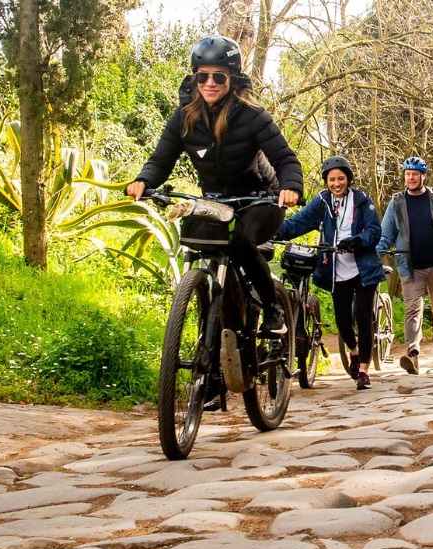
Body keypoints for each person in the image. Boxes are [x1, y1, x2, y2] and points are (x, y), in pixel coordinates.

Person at [125, 34, 302, 402]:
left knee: (240, 243)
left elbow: (286, 159)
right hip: (217, 201)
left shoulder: (252, 116)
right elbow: (161, 158)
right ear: (194, 78)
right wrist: (144, 180)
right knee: (202, 249)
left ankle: (272, 308)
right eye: (201, 76)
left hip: (262, 199)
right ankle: (218, 369)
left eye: (218, 77)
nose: (208, 84)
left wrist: (290, 187)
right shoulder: (184, 117)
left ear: (232, 79)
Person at [275, 156, 385, 390]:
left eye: (341, 178)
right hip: (336, 270)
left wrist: (356, 241)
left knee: (363, 317)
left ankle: (364, 371)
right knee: (343, 322)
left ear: (349, 179)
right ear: (326, 181)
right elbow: (297, 223)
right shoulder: (322, 202)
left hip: (363, 268)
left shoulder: (362, 200)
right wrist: (269, 231)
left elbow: (374, 231)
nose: (337, 183)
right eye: (332, 179)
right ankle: (354, 352)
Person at [376, 156, 433, 374]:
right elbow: (386, 234)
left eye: (415, 174)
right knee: (412, 310)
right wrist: (376, 252)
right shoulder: (396, 202)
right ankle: (412, 353)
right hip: (410, 266)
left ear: (423, 176)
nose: (411, 178)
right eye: (407, 174)